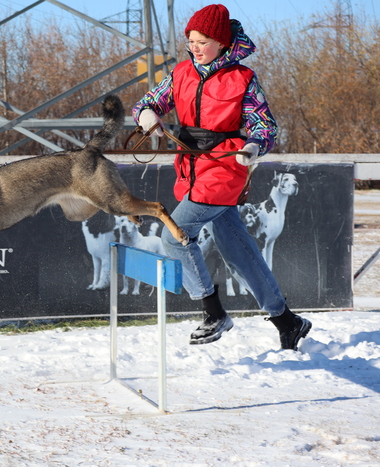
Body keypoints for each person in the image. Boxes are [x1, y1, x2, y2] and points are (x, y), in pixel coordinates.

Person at [132, 4, 311, 350]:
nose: (195, 48)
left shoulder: (243, 78)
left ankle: (213, 313)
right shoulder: (181, 72)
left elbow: (264, 125)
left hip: (225, 169)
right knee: (238, 251)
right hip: (191, 168)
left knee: (175, 236)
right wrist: (148, 116)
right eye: (191, 41)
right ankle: (287, 322)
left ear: (222, 43)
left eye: (202, 42)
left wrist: (255, 146)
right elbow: (149, 102)